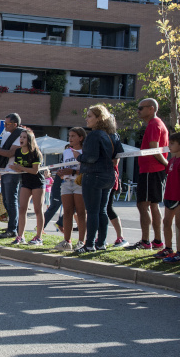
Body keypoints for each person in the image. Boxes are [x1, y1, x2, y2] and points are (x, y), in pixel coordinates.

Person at [75, 104, 124, 254]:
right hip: (109, 176)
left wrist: (79, 157)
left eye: (90, 116)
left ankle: (89, 244)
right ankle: (101, 243)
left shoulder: (95, 135)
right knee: (102, 211)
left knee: (93, 211)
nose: (87, 119)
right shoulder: (113, 135)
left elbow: (90, 157)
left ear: (99, 118)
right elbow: (119, 155)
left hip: (94, 175)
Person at [130, 98, 169, 250]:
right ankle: (157, 241)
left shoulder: (154, 124)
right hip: (152, 170)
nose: (138, 111)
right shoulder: (156, 123)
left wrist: (166, 164)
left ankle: (146, 241)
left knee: (143, 205)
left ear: (151, 109)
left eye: (141, 108)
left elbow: (154, 148)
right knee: (153, 205)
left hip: (150, 170)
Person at [0, 113, 24, 238]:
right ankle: (12, 227)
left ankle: (13, 229)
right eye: (4, 123)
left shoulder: (20, 134)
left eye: (7, 124)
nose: (5, 126)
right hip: (5, 170)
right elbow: (2, 153)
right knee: (7, 201)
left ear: (15, 124)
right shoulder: (6, 134)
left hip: (13, 172)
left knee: (12, 200)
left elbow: (10, 153)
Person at [9, 128, 45, 245]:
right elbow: (18, 166)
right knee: (22, 208)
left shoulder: (35, 152)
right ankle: (20, 236)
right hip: (25, 182)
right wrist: (15, 168)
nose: (21, 139)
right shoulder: (18, 152)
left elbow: (35, 171)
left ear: (29, 140)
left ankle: (39, 237)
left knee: (37, 209)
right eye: (21, 137)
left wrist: (21, 168)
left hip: (37, 182)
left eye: (24, 137)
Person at [54, 128, 87, 251]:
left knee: (81, 212)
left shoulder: (85, 151)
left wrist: (73, 171)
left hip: (80, 183)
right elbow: (63, 165)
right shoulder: (67, 152)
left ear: (81, 138)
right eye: (69, 136)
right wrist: (61, 172)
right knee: (67, 212)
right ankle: (67, 241)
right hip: (67, 182)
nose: (70, 138)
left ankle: (81, 241)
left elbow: (87, 168)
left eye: (73, 136)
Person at [160, 133, 180, 263]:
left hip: (178, 198)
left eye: (172, 143)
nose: (169, 146)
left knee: (179, 224)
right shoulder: (171, 160)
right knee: (166, 222)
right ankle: (168, 248)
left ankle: (179, 252)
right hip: (169, 197)